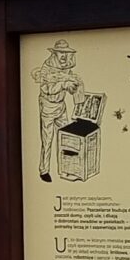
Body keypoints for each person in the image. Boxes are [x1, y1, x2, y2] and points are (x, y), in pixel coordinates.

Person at [31, 40, 84, 183]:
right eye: (61, 53)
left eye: (66, 53)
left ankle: (67, 169)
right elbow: (47, 89)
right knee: (47, 140)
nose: (64, 56)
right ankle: (44, 170)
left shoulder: (67, 68)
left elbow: (70, 88)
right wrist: (63, 85)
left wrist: (73, 88)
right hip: (48, 107)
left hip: (61, 107)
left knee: (66, 138)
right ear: (54, 53)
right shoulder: (46, 69)